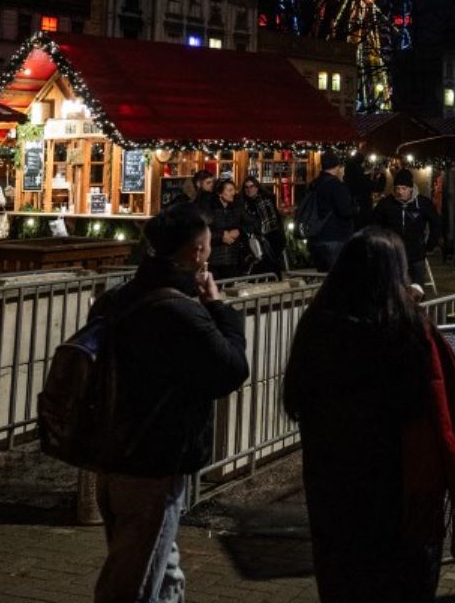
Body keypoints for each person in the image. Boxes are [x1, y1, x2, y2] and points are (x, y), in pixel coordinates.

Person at [284, 227, 455, 601]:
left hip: (332, 480)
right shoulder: (406, 329)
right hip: (396, 485)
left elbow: (298, 395)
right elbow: (426, 401)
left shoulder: (318, 322)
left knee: (343, 577)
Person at [90, 207, 249, 603]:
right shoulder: (179, 312)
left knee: (162, 568)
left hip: (111, 450)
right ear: (197, 252)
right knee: (135, 580)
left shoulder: (116, 300)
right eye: (208, 244)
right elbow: (230, 368)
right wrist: (217, 308)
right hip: (154, 460)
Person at [376, 171, 440, 293]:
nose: (400, 192)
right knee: (394, 288)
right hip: (394, 253)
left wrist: (430, 244)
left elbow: (435, 223)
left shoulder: (422, 203)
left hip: (416, 254)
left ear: (411, 188)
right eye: (397, 188)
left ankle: (416, 309)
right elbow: (375, 224)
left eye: (404, 188)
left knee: (416, 289)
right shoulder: (386, 204)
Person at [304, 153, 357, 272]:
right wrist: (355, 208)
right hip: (335, 237)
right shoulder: (337, 186)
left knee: (322, 278)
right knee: (337, 278)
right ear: (337, 166)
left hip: (316, 237)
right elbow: (345, 211)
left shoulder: (314, 184)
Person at [206, 177, 257, 279]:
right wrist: (221, 236)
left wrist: (239, 231)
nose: (233, 193)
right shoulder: (210, 210)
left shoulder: (237, 208)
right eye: (229, 190)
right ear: (220, 193)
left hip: (233, 259)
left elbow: (253, 223)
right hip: (214, 260)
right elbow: (203, 231)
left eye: (234, 190)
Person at [242, 175, 286, 276]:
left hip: (270, 238)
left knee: (270, 268)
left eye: (252, 186)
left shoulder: (264, 201)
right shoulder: (245, 203)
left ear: (257, 187)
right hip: (258, 240)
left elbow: (269, 223)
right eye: (246, 187)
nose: (249, 189)